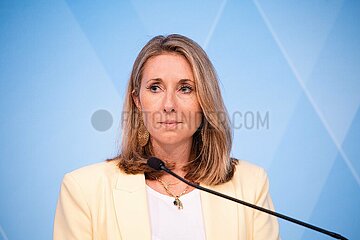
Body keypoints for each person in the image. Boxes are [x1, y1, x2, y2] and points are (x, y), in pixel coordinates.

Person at [53, 34, 280, 240]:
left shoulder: (251, 184)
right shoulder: (83, 189)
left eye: (185, 89)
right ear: (137, 100)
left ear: (205, 101)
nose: (169, 105)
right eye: (155, 88)